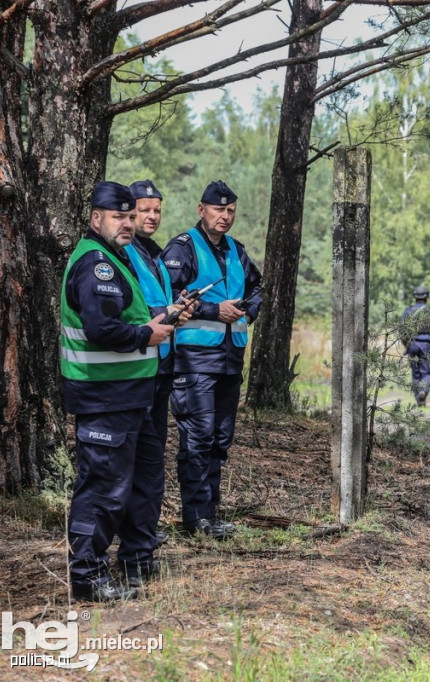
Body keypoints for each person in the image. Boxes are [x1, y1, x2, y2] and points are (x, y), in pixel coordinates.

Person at [61, 181, 174, 601]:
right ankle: (88, 579)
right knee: (103, 488)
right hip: (103, 395)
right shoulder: (96, 263)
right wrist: (147, 334)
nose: (127, 224)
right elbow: (101, 329)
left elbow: (124, 315)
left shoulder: (118, 256)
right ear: (96, 218)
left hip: (132, 394)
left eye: (130, 217)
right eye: (118, 217)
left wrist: (156, 321)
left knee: (142, 482)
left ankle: (136, 562)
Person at [161, 180, 263, 538]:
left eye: (230, 210)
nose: (225, 216)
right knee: (198, 436)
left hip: (230, 359)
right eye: (218, 209)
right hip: (193, 360)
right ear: (201, 210)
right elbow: (166, 295)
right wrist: (211, 309)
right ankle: (196, 518)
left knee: (220, 438)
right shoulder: (182, 248)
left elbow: (257, 288)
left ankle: (211, 513)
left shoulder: (236, 249)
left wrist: (247, 312)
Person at [117, 179, 191, 586]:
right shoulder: (122, 254)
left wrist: (180, 309)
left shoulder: (155, 254)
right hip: (135, 372)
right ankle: (131, 550)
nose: (149, 217)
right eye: (142, 211)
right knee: (130, 465)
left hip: (160, 369)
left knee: (150, 465)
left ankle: (141, 545)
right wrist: (167, 312)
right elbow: (130, 314)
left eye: (155, 211)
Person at [402, 285, 430, 406]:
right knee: (427, 373)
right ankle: (423, 391)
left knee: (415, 373)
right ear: (427, 296)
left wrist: (407, 346)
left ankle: (419, 399)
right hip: (426, 346)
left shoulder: (408, 311)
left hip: (412, 345)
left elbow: (402, 331)